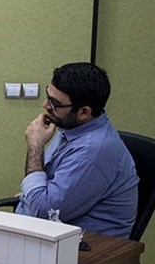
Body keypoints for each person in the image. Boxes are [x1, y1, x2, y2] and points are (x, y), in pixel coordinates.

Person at [15, 62, 138, 238]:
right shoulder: (72, 127)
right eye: (48, 96)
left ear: (84, 112)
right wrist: (30, 196)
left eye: (55, 103)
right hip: (52, 233)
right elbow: (45, 192)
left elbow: (42, 212)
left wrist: (36, 145)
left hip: (86, 247)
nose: (45, 105)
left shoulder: (90, 153)